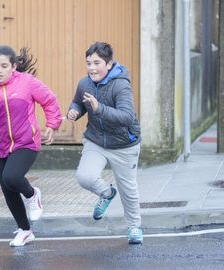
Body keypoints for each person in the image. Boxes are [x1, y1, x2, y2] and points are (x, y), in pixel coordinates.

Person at [0, 45, 62, 247]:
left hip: (26, 142)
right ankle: (25, 231)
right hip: (0, 147)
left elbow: (50, 100)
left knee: (12, 177)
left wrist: (52, 125)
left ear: (13, 66)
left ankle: (32, 194)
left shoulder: (27, 82)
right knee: (8, 189)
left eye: (3, 66)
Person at [67, 42, 143, 244]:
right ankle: (107, 193)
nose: (91, 68)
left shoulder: (120, 84)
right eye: (88, 63)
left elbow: (127, 117)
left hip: (124, 144)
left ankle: (134, 227)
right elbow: (78, 102)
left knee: (128, 189)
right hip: (97, 140)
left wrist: (99, 108)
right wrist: (74, 110)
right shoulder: (85, 83)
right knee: (85, 177)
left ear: (108, 64)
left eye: (97, 63)